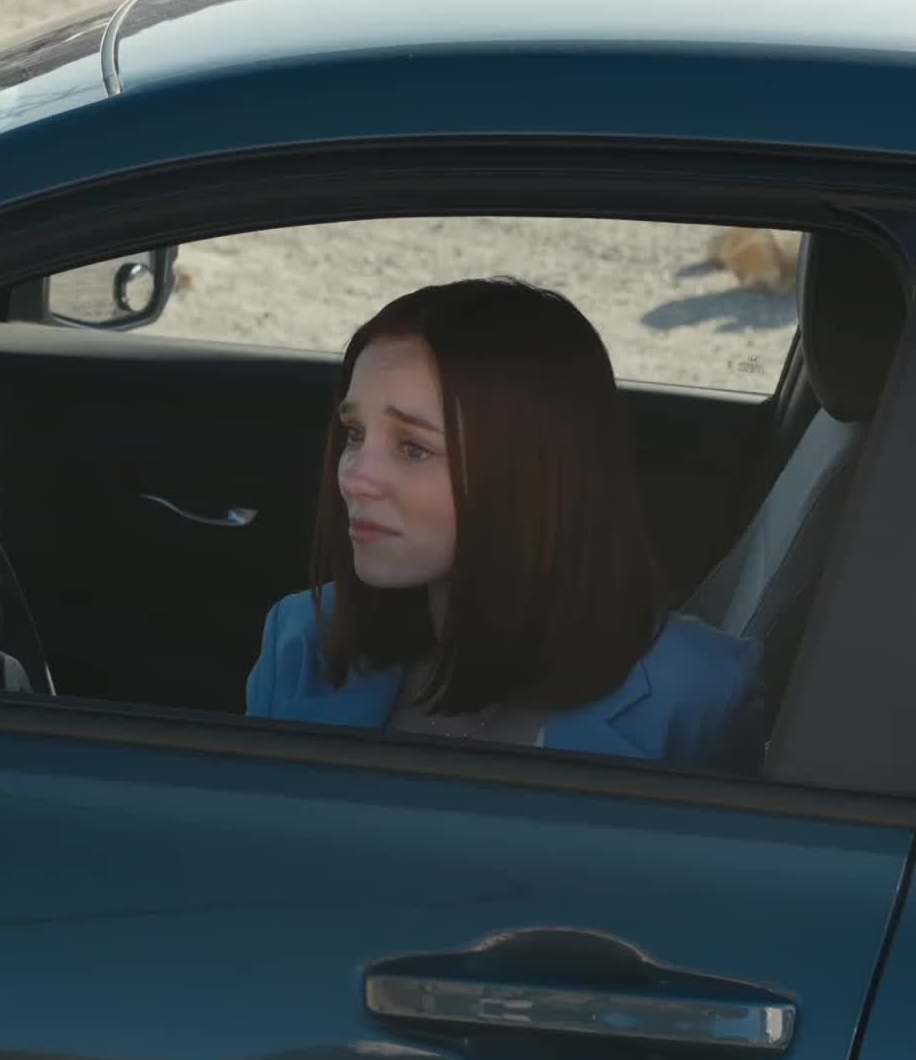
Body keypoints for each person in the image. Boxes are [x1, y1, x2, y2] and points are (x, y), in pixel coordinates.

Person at [246, 277, 764, 773]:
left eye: (414, 448)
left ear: (534, 473)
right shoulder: (301, 641)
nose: (354, 477)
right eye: (355, 433)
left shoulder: (698, 698)